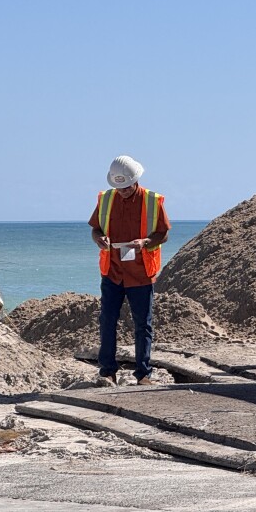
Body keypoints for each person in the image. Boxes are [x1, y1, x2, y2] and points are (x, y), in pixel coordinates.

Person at [88, 155, 170, 386]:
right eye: (118, 187)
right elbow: (95, 229)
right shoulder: (105, 199)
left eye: (125, 187)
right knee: (107, 321)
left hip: (140, 271)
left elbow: (163, 233)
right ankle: (107, 372)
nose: (122, 191)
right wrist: (99, 239)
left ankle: (143, 374)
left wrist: (145, 242)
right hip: (112, 271)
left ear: (135, 181)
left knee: (143, 324)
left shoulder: (152, 201)